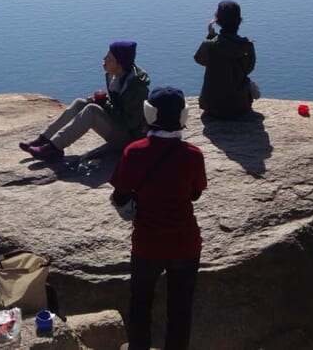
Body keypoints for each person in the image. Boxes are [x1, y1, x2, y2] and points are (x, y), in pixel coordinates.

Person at [110, 86, 207, 350]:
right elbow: (196, 193)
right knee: (180, 310)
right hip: (185, 244)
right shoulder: (193, 154)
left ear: (148, 113)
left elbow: (120, 194)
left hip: (147, 244)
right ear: (184, 116)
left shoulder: (134, 151)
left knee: (140, 304)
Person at [20, 40, 151, 162]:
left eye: (110, 59)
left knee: (91, 110)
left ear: (120, 65)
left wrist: (103, 104)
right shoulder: (118, 75)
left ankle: (54, 148)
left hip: (129, 139)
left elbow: (130, 123)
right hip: (121, 129)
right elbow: (117, 107)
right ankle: (44, 139)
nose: (104, 60)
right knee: (80, 103)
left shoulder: (136, 88)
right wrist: (99, 102)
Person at [193, 0, 258, 119]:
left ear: (217, 21)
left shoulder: (210, 44)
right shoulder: (246, 45)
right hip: (240, 106)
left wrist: (211, 36)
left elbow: (199, 59)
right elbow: (248, 69)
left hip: (211, 106)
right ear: (239, 21)